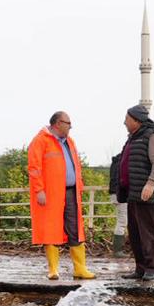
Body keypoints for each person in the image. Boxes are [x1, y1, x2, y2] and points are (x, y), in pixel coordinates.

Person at [26, 111, 94, 280]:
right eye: (67, 123)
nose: (70, 126)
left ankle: (80, 268)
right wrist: (39, 190)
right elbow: (34, 168)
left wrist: (80, 184)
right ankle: (53, 269)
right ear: (57, 123)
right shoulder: (40, 141)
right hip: (51, 193)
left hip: (71, 191)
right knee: (51, 228)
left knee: (75, 228)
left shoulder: (70, 142)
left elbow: (76, 165)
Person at [116, 103, 154, 281]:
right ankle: (140, 268)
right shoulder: (133, 137)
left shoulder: (150, 136)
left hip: (146, 194)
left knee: (149, 232)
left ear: (136, 120)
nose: (124, 122)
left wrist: (151, 184)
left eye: (127, 119)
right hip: (133, 193)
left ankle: (152, 268)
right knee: (135, 233)